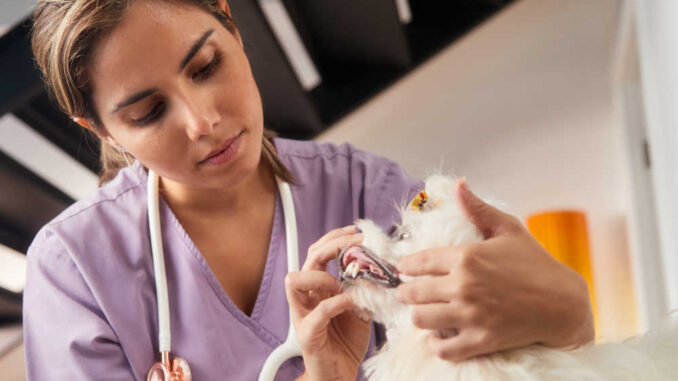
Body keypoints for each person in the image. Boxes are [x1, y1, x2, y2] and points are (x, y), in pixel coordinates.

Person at [24, 0, 594, 379]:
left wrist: (563, 306)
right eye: (149, 112)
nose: (202, 122)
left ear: (230, 21)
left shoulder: (365, 190)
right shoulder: (75, 270)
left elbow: (538, 350)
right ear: (98, 128)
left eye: (204, 66)